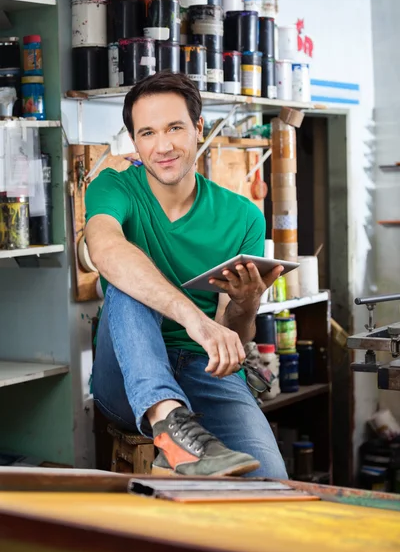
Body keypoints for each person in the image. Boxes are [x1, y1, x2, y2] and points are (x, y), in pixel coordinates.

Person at [85, 71, 287, 479]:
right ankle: (168, 422)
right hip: (124, 377)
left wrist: (247, 302)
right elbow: (105, 250)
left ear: (197, 128)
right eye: (147, 133)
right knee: (127, 278)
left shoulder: (243, 216)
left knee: (269, 480)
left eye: (175, 127)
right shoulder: (113, 187)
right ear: (135, 141)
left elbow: (238, 334)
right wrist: (196, 320)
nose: (163, 146)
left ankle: (178, 428)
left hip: (204, 369)